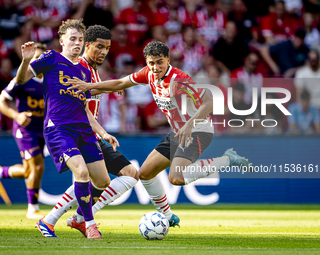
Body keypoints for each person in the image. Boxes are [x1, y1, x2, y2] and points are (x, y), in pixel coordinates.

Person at [68, 41, 251, 225]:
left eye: (159, 62)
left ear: (168, 60)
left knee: (176, 177)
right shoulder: (148, 73)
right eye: (151, 63)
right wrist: (88, 87)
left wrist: (189, 125)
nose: (155, 67)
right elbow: (120, 83)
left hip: (198, 129)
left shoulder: (178, 80)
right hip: (179, 132)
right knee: (145, 173)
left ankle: (228, 159)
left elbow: (209, 102)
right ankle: (169, 217)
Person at [15, 19, 117, 239]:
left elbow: (86, 110)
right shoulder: (51, 58)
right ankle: (89, 224)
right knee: (81, 172)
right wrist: (25, 61)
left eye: (80, 40)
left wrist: (103, 133)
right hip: (59, 128)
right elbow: (21, 80)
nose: (77, 43)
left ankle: (56, 221)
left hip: (84, 131)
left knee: (103, 181)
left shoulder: (84, 71)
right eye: (72, 39)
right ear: (62, 40)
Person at [38, 25, 138, 239]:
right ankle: (74, 219)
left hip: (88, 133)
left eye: (107, 48)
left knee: (110, 178)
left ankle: (68, 219)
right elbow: (80, 97)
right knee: (89, 175)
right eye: (99, 47)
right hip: (74, 131)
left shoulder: (91, 70)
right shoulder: (78, 65)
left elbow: (86, 104)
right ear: (87, 45)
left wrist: (103, 132)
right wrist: (109, 86)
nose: (103, 52)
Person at [0, 43, 47, 220]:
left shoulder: (51, 80)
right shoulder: (22, 79)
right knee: (38, 166)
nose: (37, 62)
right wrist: (16, 116)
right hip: (24, 129)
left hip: (41, 129)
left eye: (41, 58)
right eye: (35, 59)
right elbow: (0, 102)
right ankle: (32, 209)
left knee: (29, 170)